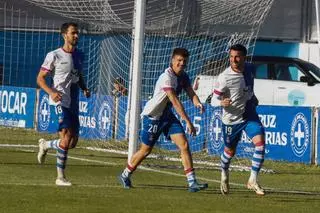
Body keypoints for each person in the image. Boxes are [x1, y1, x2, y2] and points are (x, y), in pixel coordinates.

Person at [118, 48, 208, 192]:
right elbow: (175, 101)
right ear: (172, 61)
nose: (182, 63)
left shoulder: (184, 76)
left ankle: (192, 183)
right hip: (153, 116)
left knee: (184, 145)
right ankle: (125, 174)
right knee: (145, 150)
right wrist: (188, 122)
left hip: (167, 115)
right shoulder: (166, 77)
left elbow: (191, 93)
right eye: (179, 60)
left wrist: (197, 103)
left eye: (184, 61)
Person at [36, 22, 90, 186]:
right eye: (73, 33)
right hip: (59, 100)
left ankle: (45, 144)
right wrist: (51, 92)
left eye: (77, 33)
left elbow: (77, 75)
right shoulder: (54, 55)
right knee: (65, 137)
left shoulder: (80, 55)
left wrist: (84, 88)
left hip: (73, 101)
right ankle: (60, 177)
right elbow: (40, 78)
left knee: (71, 143)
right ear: (64, 35)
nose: (76, 36)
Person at [211, 44, 265, 195]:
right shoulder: (224, 77)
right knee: (229, 151)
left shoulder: (250, 69)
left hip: (248, 114)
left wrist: (253, 97)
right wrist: (221, 102)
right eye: (231, 56)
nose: (234, 60)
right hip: (231, 120)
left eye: (237, 56)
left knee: (260, 143)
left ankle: (252, 180)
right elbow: (213, 100)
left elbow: (248, 88)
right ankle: (224, 172)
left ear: (244, 58)